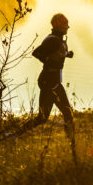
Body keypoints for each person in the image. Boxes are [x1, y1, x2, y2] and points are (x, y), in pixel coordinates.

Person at [23, 13, 75, 146]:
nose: (67, 28)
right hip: (49, 81)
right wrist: (48, 61)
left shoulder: (57, 38)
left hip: (53, 80)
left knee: (43, 118)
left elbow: (54, 54)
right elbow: (37, 53)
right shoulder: (53, 40)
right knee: (67, 112)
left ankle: (17, 134)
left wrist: (66, 55)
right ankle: (72, 145)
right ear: (58, 26)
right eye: (65, 25)